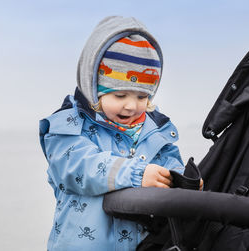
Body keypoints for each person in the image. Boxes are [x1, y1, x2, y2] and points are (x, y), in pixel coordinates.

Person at [39, 16, 185, 251]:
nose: (131, 106)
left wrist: (182, 180)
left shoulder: (155, 131)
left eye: (141, 97)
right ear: (94, 88)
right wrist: (137, 174)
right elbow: (79, 167)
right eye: (119, 96)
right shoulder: (68, 125)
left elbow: (168, 165)